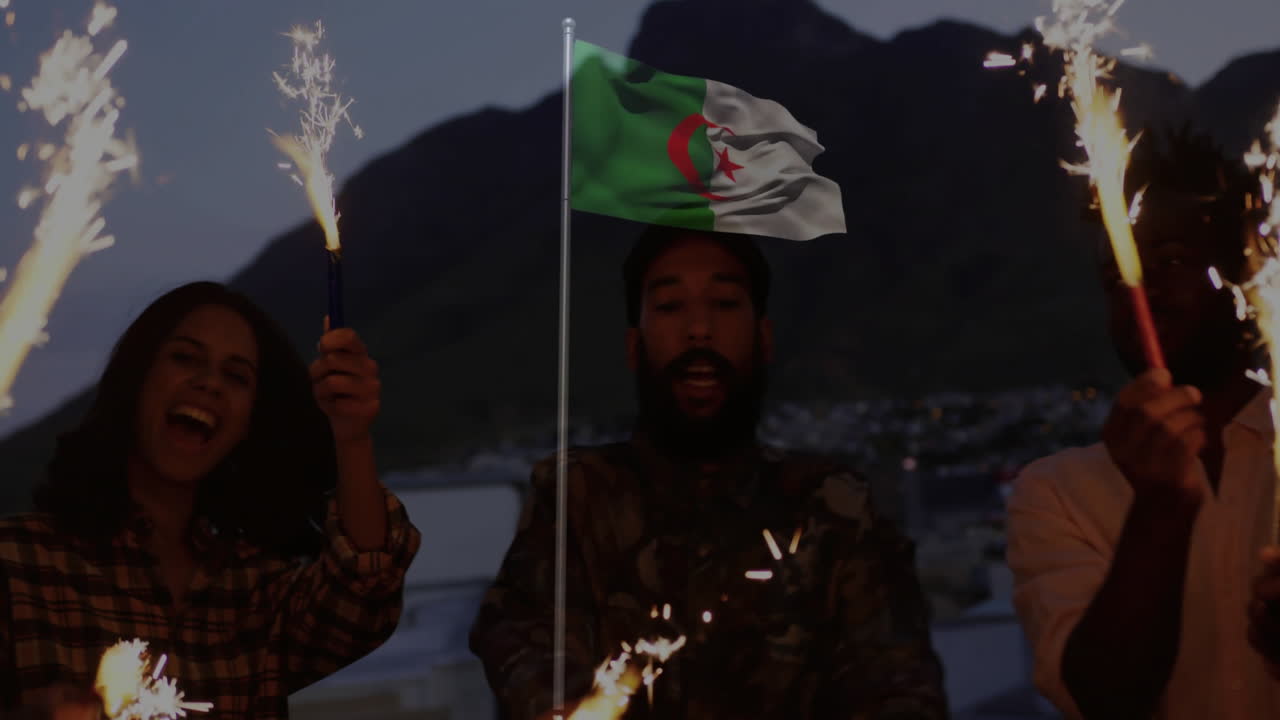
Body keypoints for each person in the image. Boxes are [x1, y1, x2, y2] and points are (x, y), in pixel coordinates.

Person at [469, 225, 947, 719]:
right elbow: (523, 636)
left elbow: (898, 682)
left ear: (764, 339)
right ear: (635, 347)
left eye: (723, 303)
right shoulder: (579, 498)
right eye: (671, 306)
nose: (699, 329)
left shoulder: (832, 509)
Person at [0, 281, 421, 718]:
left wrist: (351, 435)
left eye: (236, 376)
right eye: (185, 358)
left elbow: (363, 590)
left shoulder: (257, 592)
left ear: (247, 425)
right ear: (137, 379)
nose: (209, 384)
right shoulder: (18, 564)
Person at [1006, 126, 1280, 719]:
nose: (1139, 288)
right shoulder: (1055, 494)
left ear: (1244, 274)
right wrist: (1160, 506)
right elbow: (1103, 696)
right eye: (1116, 279)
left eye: (1172, 260)